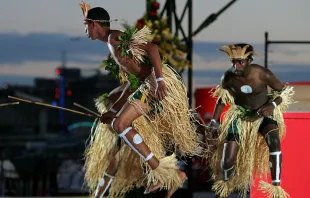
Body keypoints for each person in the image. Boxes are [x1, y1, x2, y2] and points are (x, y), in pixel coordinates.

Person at [79, 2, 202, 198]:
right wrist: (114, 109)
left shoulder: (114, 38)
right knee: (118, 121)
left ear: (93, 23)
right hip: (146, 84)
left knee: (120, 124)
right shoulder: (112, 43)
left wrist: (159, 80)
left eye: (86, 26)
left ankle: (162, 171)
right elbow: (133, 83)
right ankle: (172, 173)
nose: (85, 31)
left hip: (155, 82)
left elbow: (152, 48)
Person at [208, 43, 294, 198]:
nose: (236, 65)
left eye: (240, 61)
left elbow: (284, 91)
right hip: (240, 116)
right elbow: (222, 99)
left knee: (274, 141)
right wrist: (214, 121)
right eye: (234, 61)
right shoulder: (228, 77)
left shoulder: (262, 74)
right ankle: (223, 188)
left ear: (249, 61)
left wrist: (272, 105)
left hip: (263, 114)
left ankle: (275, 188)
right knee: (228, 159)